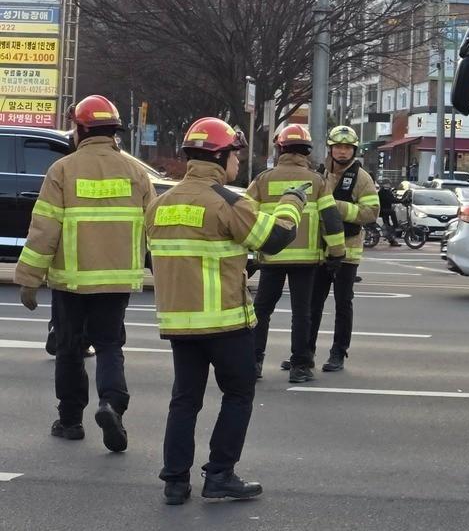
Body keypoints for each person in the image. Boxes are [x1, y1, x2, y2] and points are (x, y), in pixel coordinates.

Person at [146, 117, 306, 505]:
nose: (238, 161)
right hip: (226, 321)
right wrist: (291, 204)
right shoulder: (229, 201)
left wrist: (235, 262)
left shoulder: (159, 204)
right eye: (236, 153)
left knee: (185, 399)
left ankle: (175, 482)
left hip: (179, 323)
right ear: (222, 155)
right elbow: (277, 238)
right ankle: (219, 475)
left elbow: (161, 260)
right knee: (238, 394)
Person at [16, 95, 153, 452]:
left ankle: (71, 420)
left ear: (79, 129)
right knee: (110, 346)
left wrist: (30, 279)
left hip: (71, 281)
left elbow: (43, 230)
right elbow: (155, 228)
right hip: (117, 280)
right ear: (113, 133)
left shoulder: (62, 170)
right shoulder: (136, 173)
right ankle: (112, 405)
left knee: (69, 349)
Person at [247, 124, 346, 383]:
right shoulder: (316, 181)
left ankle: (253, 362)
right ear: (307, 151)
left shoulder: (263, 180)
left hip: (272, 256)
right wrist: (336, 254)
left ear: (280, 148)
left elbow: (244, 216)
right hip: (305, 261)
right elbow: (331, 220)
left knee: (261, 310)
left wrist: (248, 253)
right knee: (302, 313)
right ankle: (300, 367)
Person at [308, 125, 379, 373]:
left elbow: (371, 213)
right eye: (338, 147)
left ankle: (338, 353)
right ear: (330, 148)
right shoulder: (319, 174)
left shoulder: (362, 178)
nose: (342, 152)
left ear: (354, 150)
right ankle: (305, 353)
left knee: (342, 304)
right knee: (312, 305)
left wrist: (334, 206)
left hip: (347, 253)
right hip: (319, 251)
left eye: (347, 147)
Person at [377, 182, 401, 246]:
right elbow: (391, 199)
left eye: (389, 184)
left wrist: (400, 200)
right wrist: (400, 201)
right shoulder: (383, 192)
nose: (388, 185)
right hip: (383, 210)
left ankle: (391, 240)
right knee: (392, 213)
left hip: (385, 210)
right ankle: (396, 226)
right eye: (387, 184)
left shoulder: (386, 191)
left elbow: (392, 199)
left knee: (387, 225)